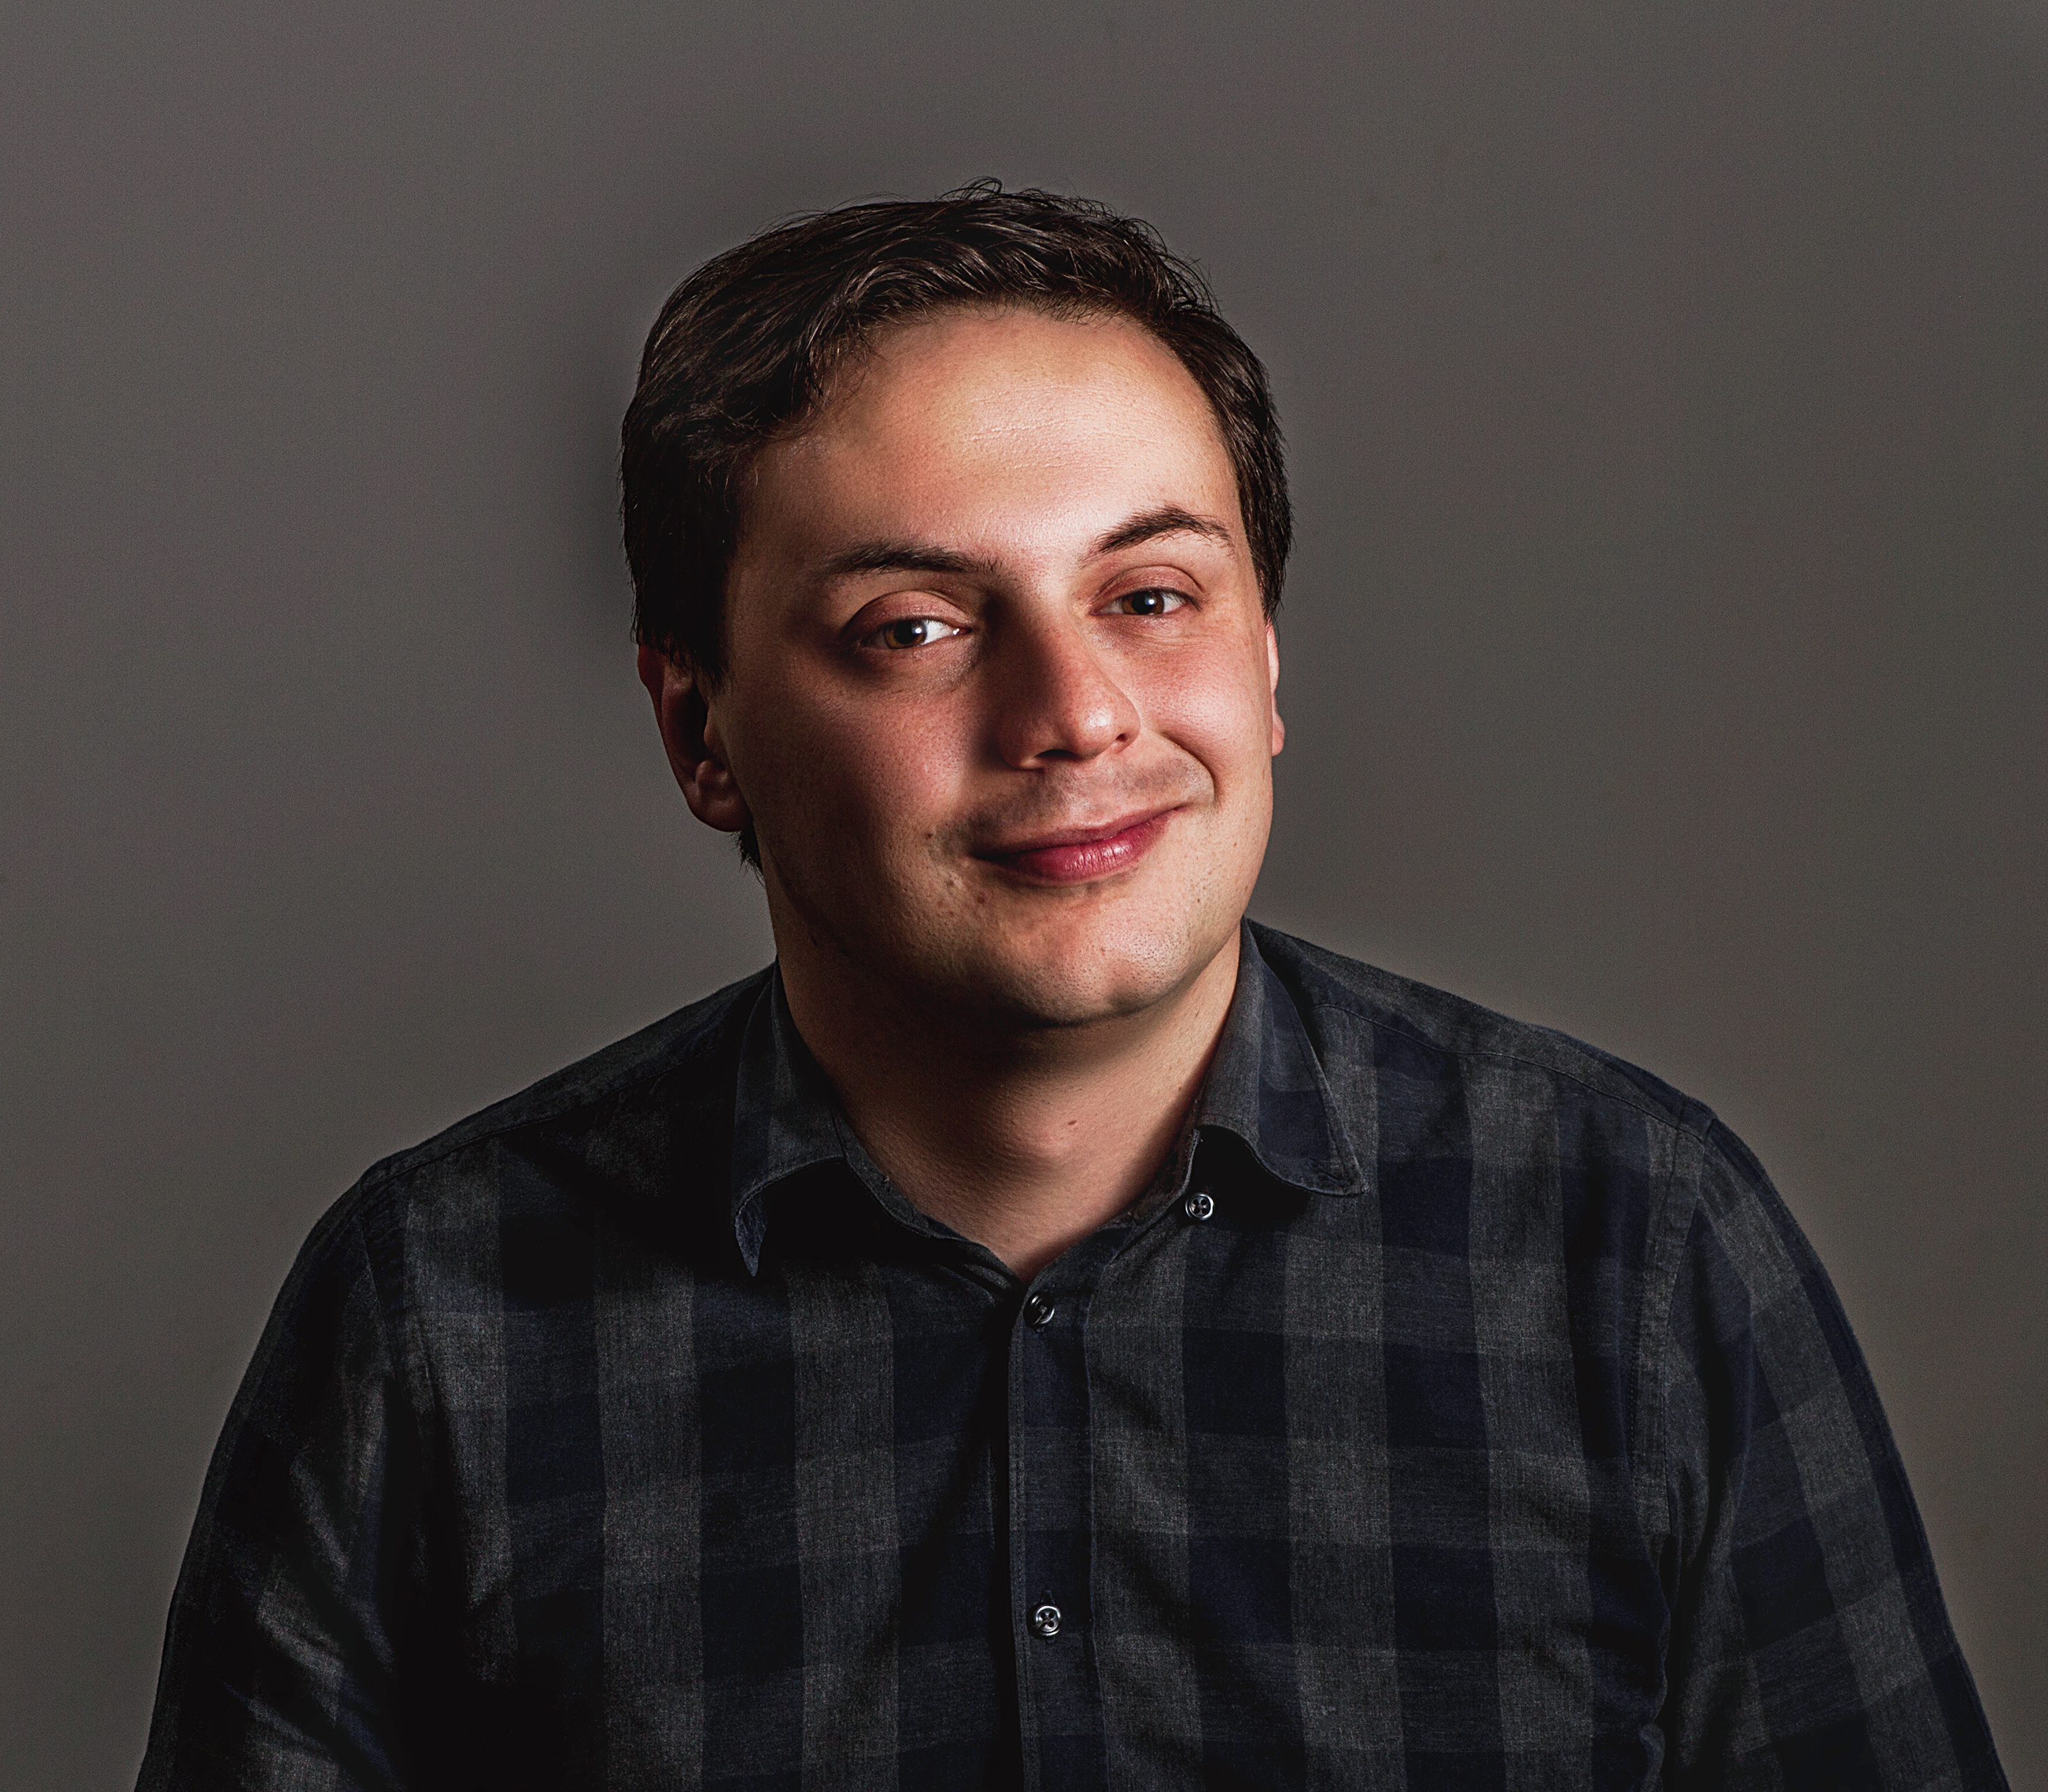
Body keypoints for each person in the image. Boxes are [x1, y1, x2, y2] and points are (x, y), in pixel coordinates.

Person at [136, 185, 2003, 1789]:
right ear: (701, 729)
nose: (1077, 714)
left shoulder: (1636, 1248)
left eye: (1152, 596)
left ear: (1266, 658)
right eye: (917, 628)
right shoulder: (440, 1315)